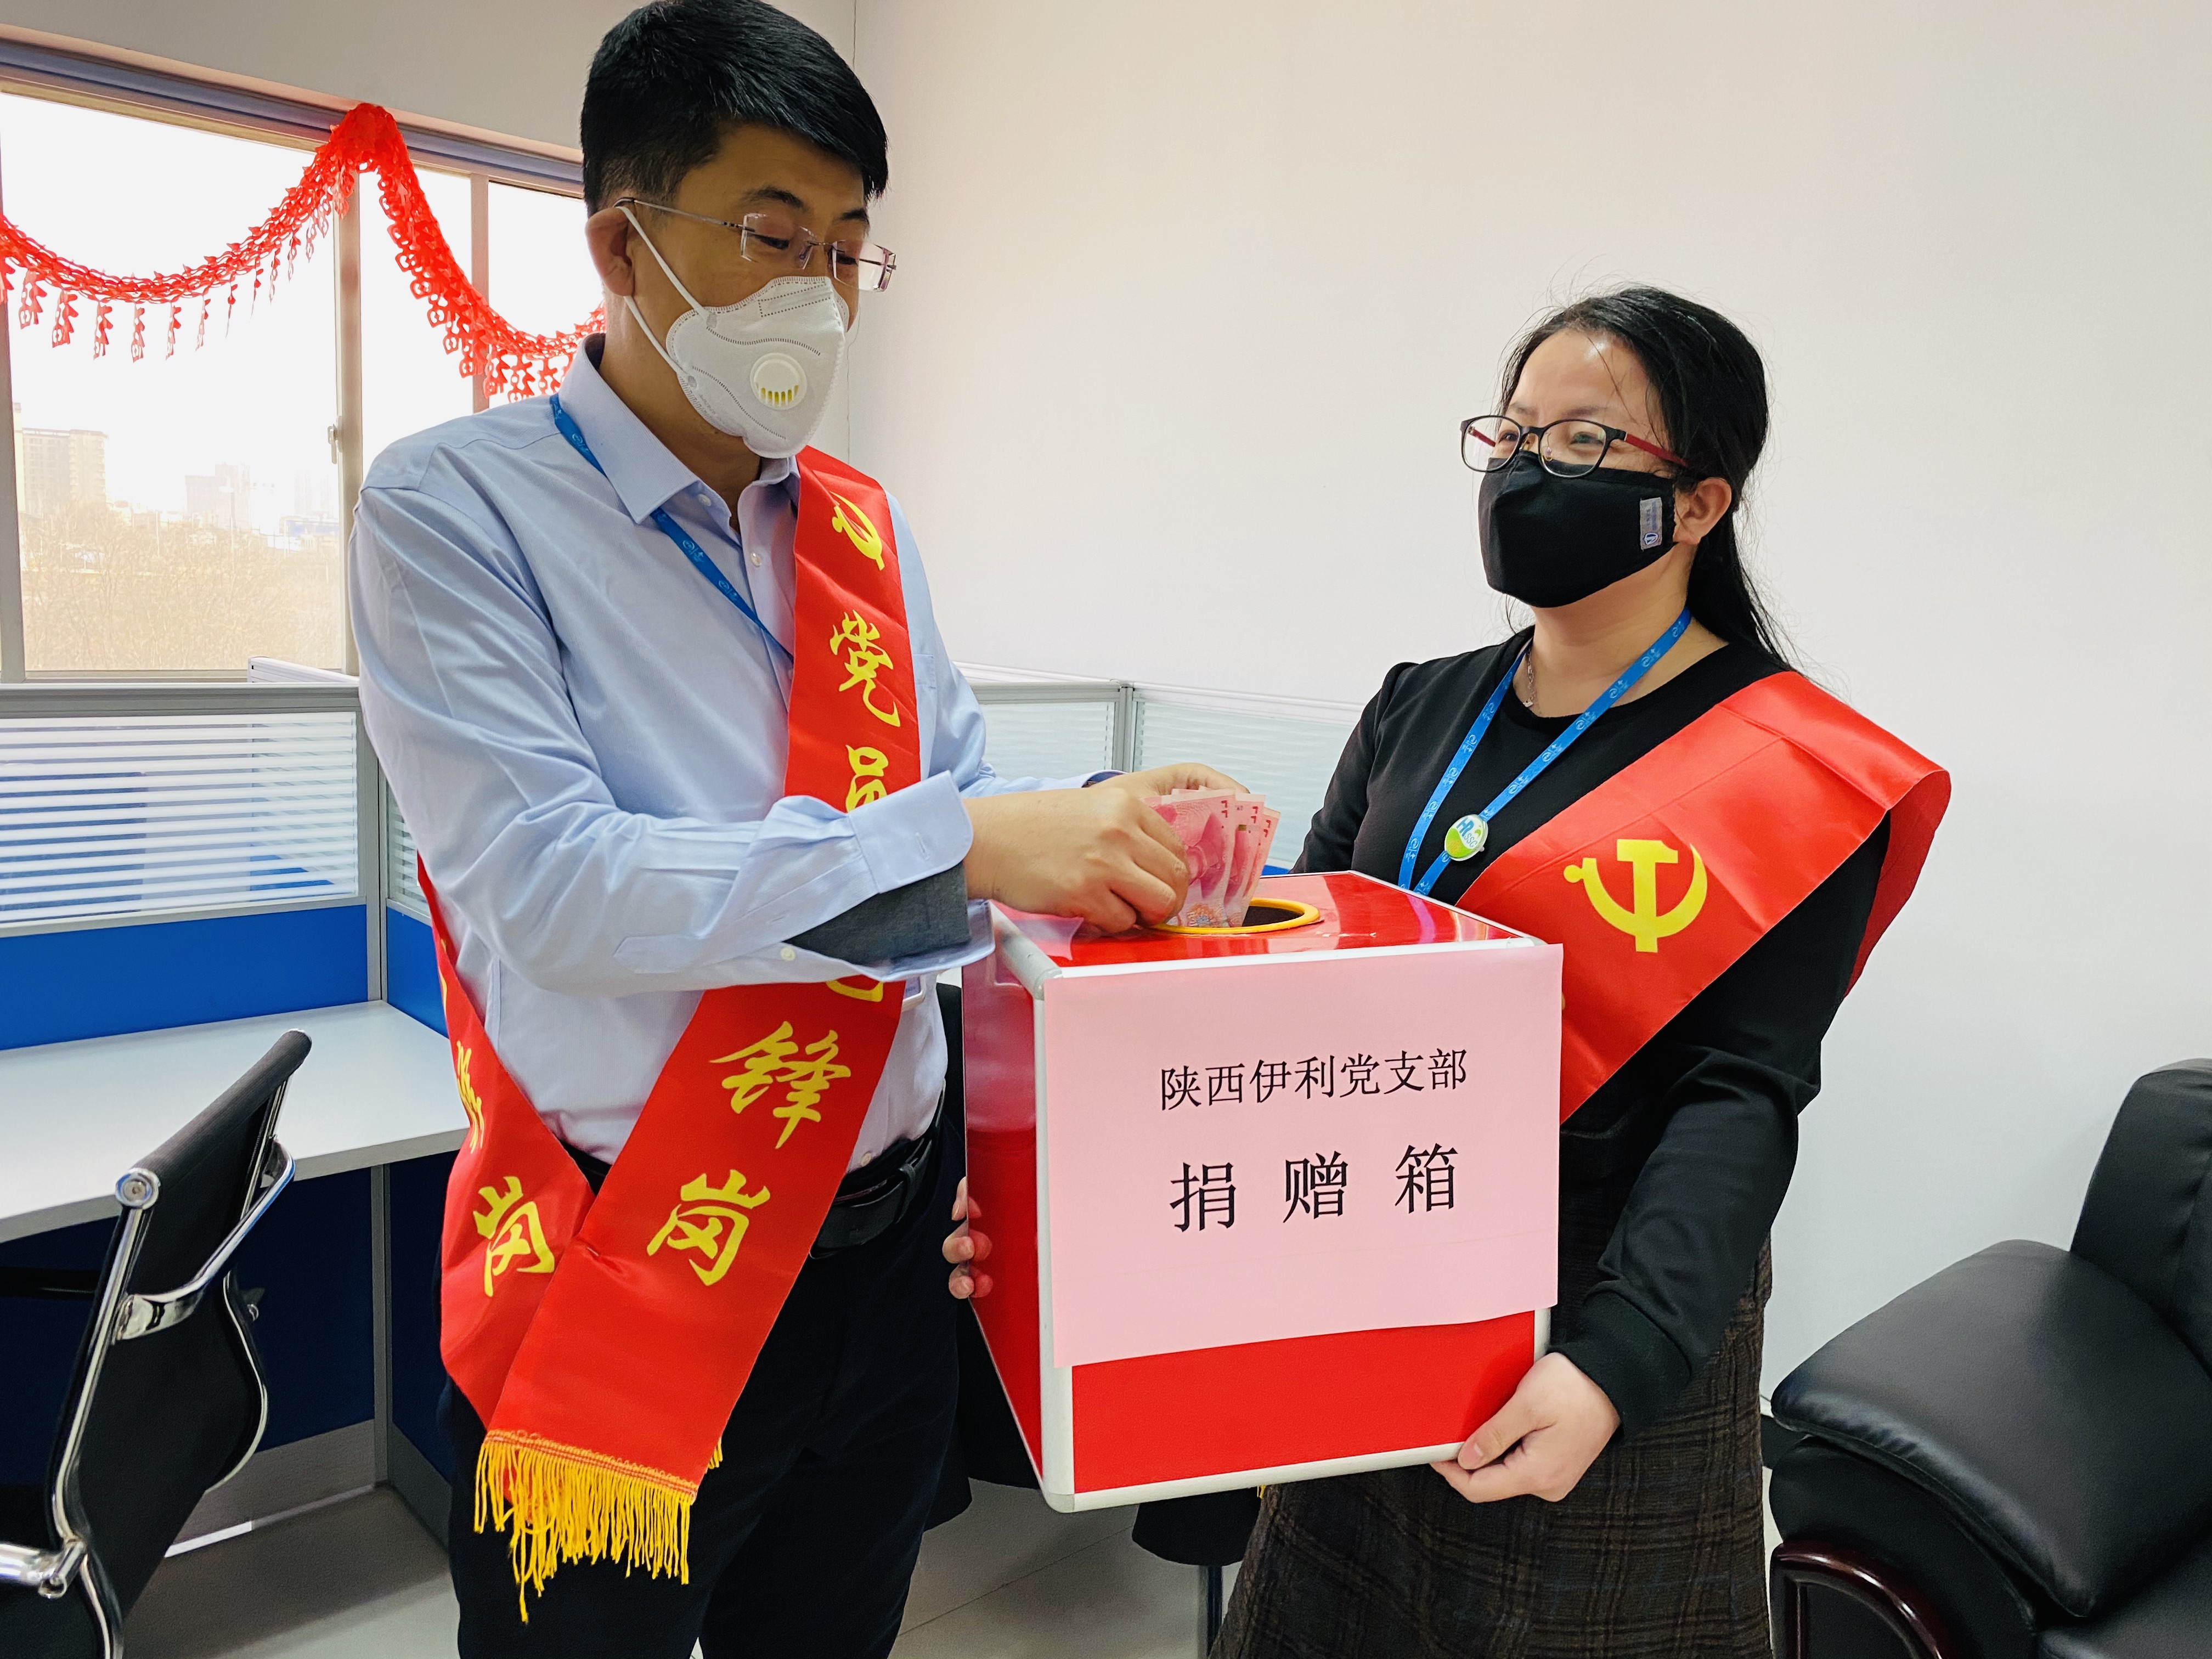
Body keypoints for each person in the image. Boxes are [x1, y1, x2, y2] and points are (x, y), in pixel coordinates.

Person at [350, 4, 1235, 1654]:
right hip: (634, 1255)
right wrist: (979, 847)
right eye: (772, 237)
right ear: (622, 241)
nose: (816, 295)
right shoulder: (452, 508)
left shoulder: (858, 525)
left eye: (846, 250)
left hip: (891, 1258)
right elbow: (551, 889)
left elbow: (953, 818)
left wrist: (1102, 831)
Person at [1179, 287, 1949, 1656]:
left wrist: (1614, 1362)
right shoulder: (1418, 703)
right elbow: (1299, 979)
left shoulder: (1793, 770)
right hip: (1376, 1245)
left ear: (1698, 503)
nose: (1533, 470)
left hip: (1600, 1307)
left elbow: (1739, 1094)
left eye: (1587, 441)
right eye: (1516, 433)